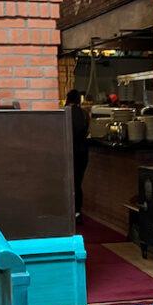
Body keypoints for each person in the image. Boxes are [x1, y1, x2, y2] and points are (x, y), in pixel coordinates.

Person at [66, 89, 89, 218]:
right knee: (78, 182)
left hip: (70, 151)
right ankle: (77, 211)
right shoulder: (85, 114)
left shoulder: (66, 113)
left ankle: (70, 211)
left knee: (70, 183)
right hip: (83, 152)